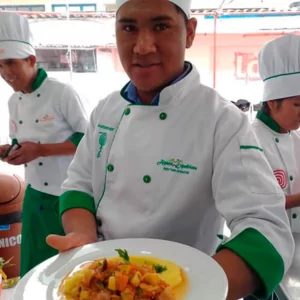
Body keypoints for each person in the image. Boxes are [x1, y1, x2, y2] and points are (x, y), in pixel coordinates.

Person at [46, 1, 294, 299]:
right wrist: (83, 239)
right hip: (104, 280)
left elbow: (266, 226)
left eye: (161, 26)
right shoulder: (106, 110)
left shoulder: (222, 120)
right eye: (129, 28)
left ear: (189, 33)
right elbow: (79, 185)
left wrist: (194, 290)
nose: (142, 47)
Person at [0, 12, 89, 277]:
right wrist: (10, 151)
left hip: (66, 195)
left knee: (67, 266)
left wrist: (41, 150)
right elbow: (20, 142)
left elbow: (88, 139)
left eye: (10, 63)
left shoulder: (62, 93)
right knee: (34, 262)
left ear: (30, 60)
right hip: (34, 193)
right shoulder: (14, 102)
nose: (5, 73)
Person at [248, 34, 300, 299]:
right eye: (297, 104)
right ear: (272, 102)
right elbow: (254, 206)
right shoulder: (249, 142)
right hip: (264, 250)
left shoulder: (295, 139)